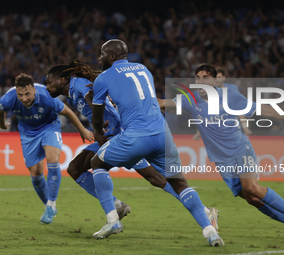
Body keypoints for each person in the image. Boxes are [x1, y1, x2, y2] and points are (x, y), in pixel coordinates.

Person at [45, 59, 220, 230]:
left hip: (120, 135)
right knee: (75, 168)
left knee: (156, 178)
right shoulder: (74, 89)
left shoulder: (78, 85)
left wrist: (98, 126)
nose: (47, 86)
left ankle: (205, 212)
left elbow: (93, 99)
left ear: (62, 80)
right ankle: (116, 205)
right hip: (109, 135)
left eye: (49, 82)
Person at [90, 39, 224, 246]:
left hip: (135, 137)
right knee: (179, 183)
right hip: (162, 134)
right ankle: (210, 231)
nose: (99, 58)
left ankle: (113, 221)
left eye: (102, 54)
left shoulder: (103, 78)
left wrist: (98, 132)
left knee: (97, 163)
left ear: (112, 56)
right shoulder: (144, 69)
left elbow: (97, 116)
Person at [158, 63, 284, 240]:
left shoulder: (230, 97)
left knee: (251, 187)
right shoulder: (190, 100)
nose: (201, 81)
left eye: (205, 77)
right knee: (250, 198)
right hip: (222, 159)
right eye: (198, 77)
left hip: (241, 149)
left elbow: (260, 108)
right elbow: (162, 103)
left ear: (215, 80)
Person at [0, 73, 93, 224]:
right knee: (36, 172)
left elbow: (67, 112)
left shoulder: (46, 96)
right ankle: (48, 205)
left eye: (27, 94)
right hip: (28, 134)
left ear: (34, 90)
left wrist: (82, 130)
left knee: (53, 160)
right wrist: (1, 125)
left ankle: (51, 204)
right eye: (20, 95)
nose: (24, 98)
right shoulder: (9, 98)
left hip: (49, 127)